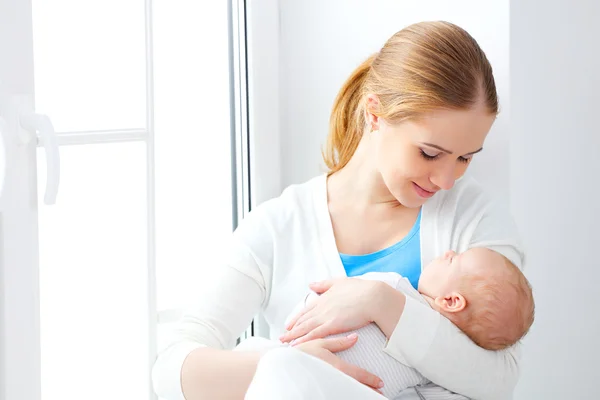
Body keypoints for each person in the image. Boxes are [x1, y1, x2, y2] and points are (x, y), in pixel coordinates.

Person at [152, 20, 529, 400]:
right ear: (375, 113)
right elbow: (170, 370)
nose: (447, 180)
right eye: (430, 153)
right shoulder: (280, 226)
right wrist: (294, 367)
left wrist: (383, 304)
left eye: (465, 158)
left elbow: (499, 379)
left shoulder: (473, 218)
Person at [240, 247, 534, 399]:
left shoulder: (394, 288)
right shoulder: (439, 372)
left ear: (451, 301)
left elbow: (315, 305)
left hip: (316, 374)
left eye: (453, 261)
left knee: (271, 363)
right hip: (334, 382)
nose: (447, 252)